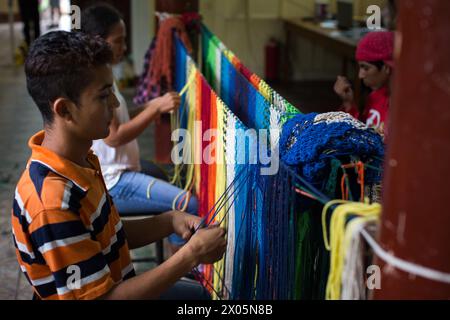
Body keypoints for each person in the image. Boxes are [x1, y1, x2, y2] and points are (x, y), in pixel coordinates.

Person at [12, 31, 226, 300]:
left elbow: (109, 234)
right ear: (65, 110)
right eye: (103, 97)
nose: (115, 103)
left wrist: (169, 221)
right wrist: (190, 255)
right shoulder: (52, 203)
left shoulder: (82, 160)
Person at [80, 4, 199, 252]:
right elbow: (115, 136)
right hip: (115, 181)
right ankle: (182, 264)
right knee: (189, 203)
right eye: (118, 41)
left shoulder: (102, 74)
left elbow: (119, 116)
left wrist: (150, 105)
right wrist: (154, 109)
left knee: (163, 176)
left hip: (118, 171)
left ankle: (172, 244)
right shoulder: (98, 81)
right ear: (97, 41)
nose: (124, 48)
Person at [334, 31, 394, 138]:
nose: (360, 75)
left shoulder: (399, 106)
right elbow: (360, 133)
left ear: (386, 67)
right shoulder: (374, 97)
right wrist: (348, 103)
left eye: (365, 68)